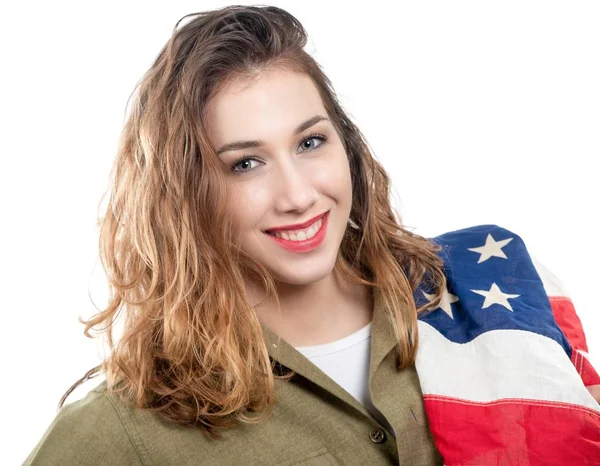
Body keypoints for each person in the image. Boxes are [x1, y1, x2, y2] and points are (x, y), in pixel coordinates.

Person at [24, 5, 600, 466]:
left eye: (309, 142)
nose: (297, 194)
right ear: (184, 196)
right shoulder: (128, 429)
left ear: (345, 144)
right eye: (245, 164)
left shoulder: (487, 297)